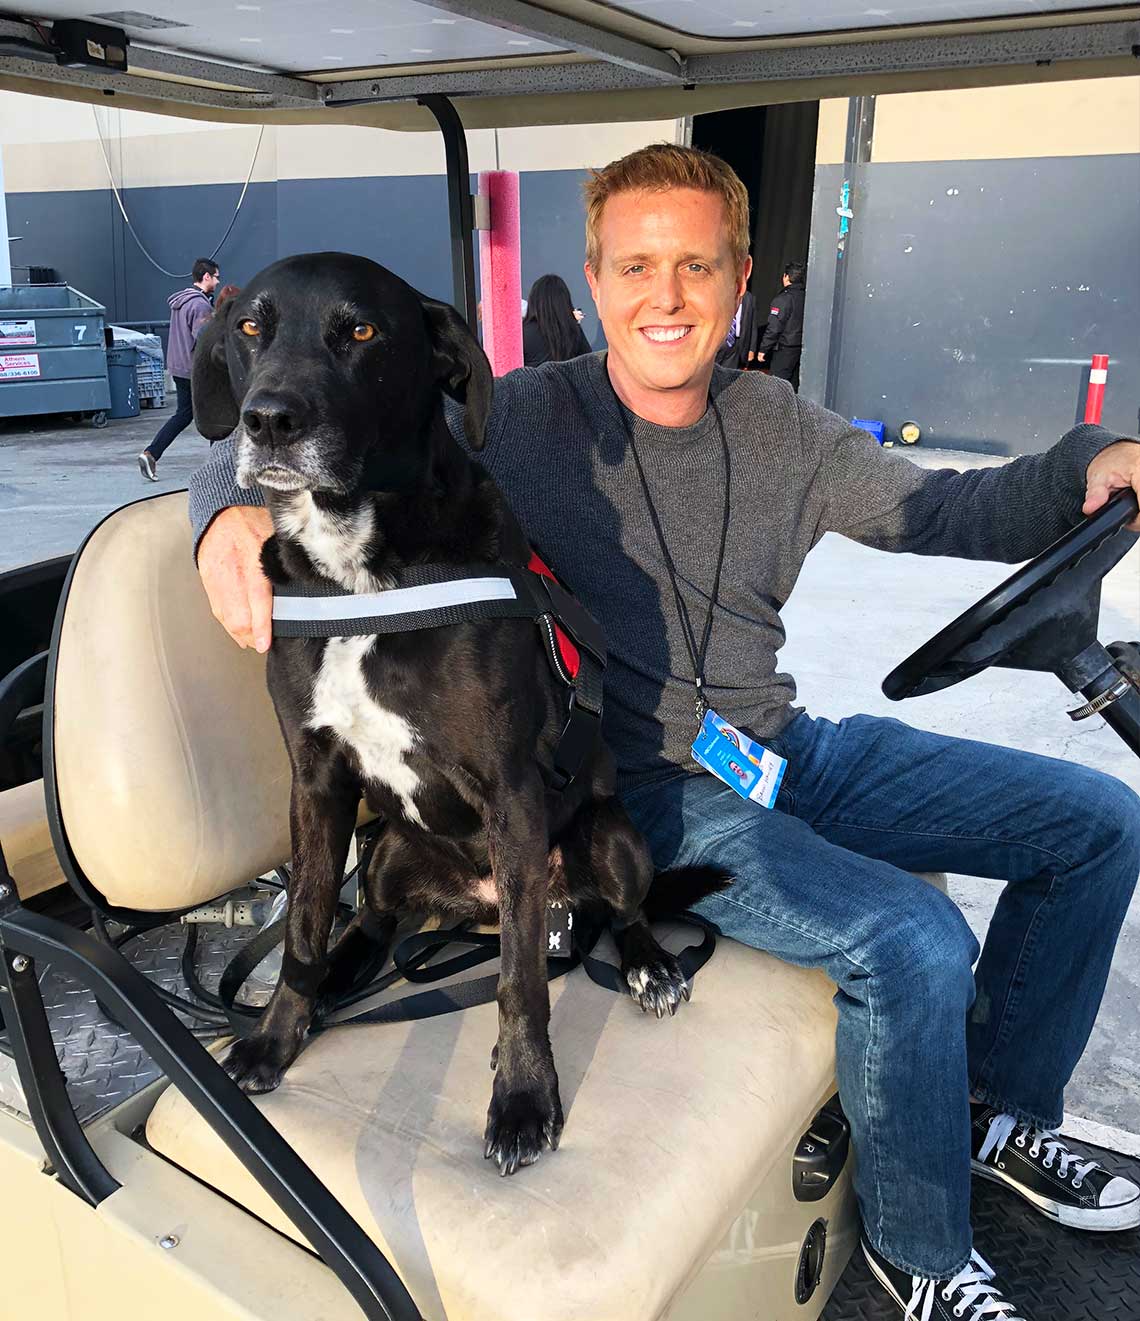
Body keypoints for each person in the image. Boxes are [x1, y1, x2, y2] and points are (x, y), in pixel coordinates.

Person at [188, 145, 1140, 1320]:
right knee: (914, 938)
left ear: (741, 281)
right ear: (593, 283)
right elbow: (329, 431)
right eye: (637, 265)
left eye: (697, 263)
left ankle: (996, 1109)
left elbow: (943, 504)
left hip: (789, 744)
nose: (668, 294)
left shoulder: (782, 427)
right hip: (652, 783)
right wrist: (222, 518)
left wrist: (1086, 462)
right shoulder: (530, 416)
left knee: (1098, 822)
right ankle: (924, 1250)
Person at [137, 257, 220, 481]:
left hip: (178, 367)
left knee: (184, 414)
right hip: (196, 369)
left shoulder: (181, 302)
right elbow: (205, 338)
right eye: (216, 277)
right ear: (206, 277)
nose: (218, 282)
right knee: (215, 412)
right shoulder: (200, 305)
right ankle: (217, 466)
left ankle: (151, 454)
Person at [756, 259, 806, 390]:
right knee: (794, 388)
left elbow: (774, 327)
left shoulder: (784, 299)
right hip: (800, 348)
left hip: (785, 348)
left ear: (786, 277)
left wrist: (763, 349)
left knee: (776, 388)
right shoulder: (806, 297)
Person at [522, 274, 592, 365]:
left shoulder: (523, 334)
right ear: (564, 302)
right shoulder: (574, 331)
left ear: (534, 301)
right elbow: (589, 363)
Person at [715, 287, 755, 370]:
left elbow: (752, 325)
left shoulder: (748, 298)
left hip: (737, 343)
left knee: (729, 375)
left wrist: (752, 349)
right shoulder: (718, 293)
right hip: (719, 341)